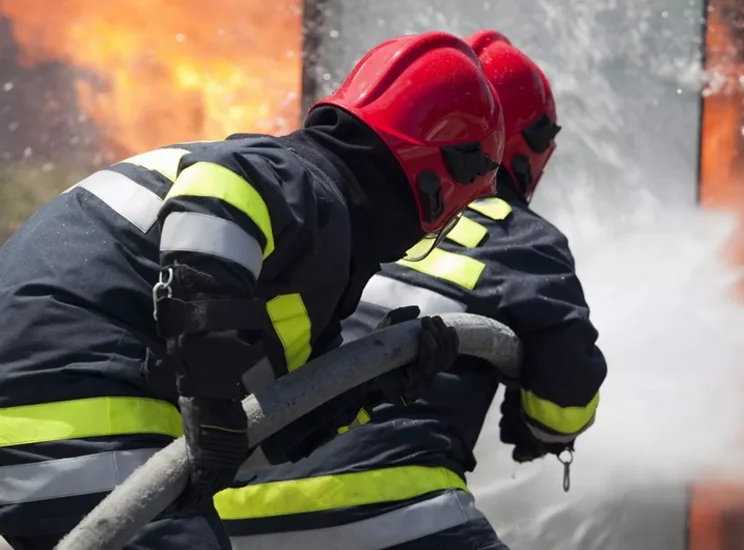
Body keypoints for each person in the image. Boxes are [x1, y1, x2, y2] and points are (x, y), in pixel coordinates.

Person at [0, 31, 505, 550]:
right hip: (78, 406)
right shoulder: (304, 183)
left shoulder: (294, 250)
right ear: (441, 178)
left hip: (41, 415)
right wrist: (209, 393)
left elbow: (253, 440)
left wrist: (373, 386)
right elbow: (218, 195)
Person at [218, 30, 608, 550]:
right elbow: (564, 406)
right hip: (386, 509)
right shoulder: (518, 237)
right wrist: (538, 424)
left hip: (227, 513)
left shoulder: (337, 212)